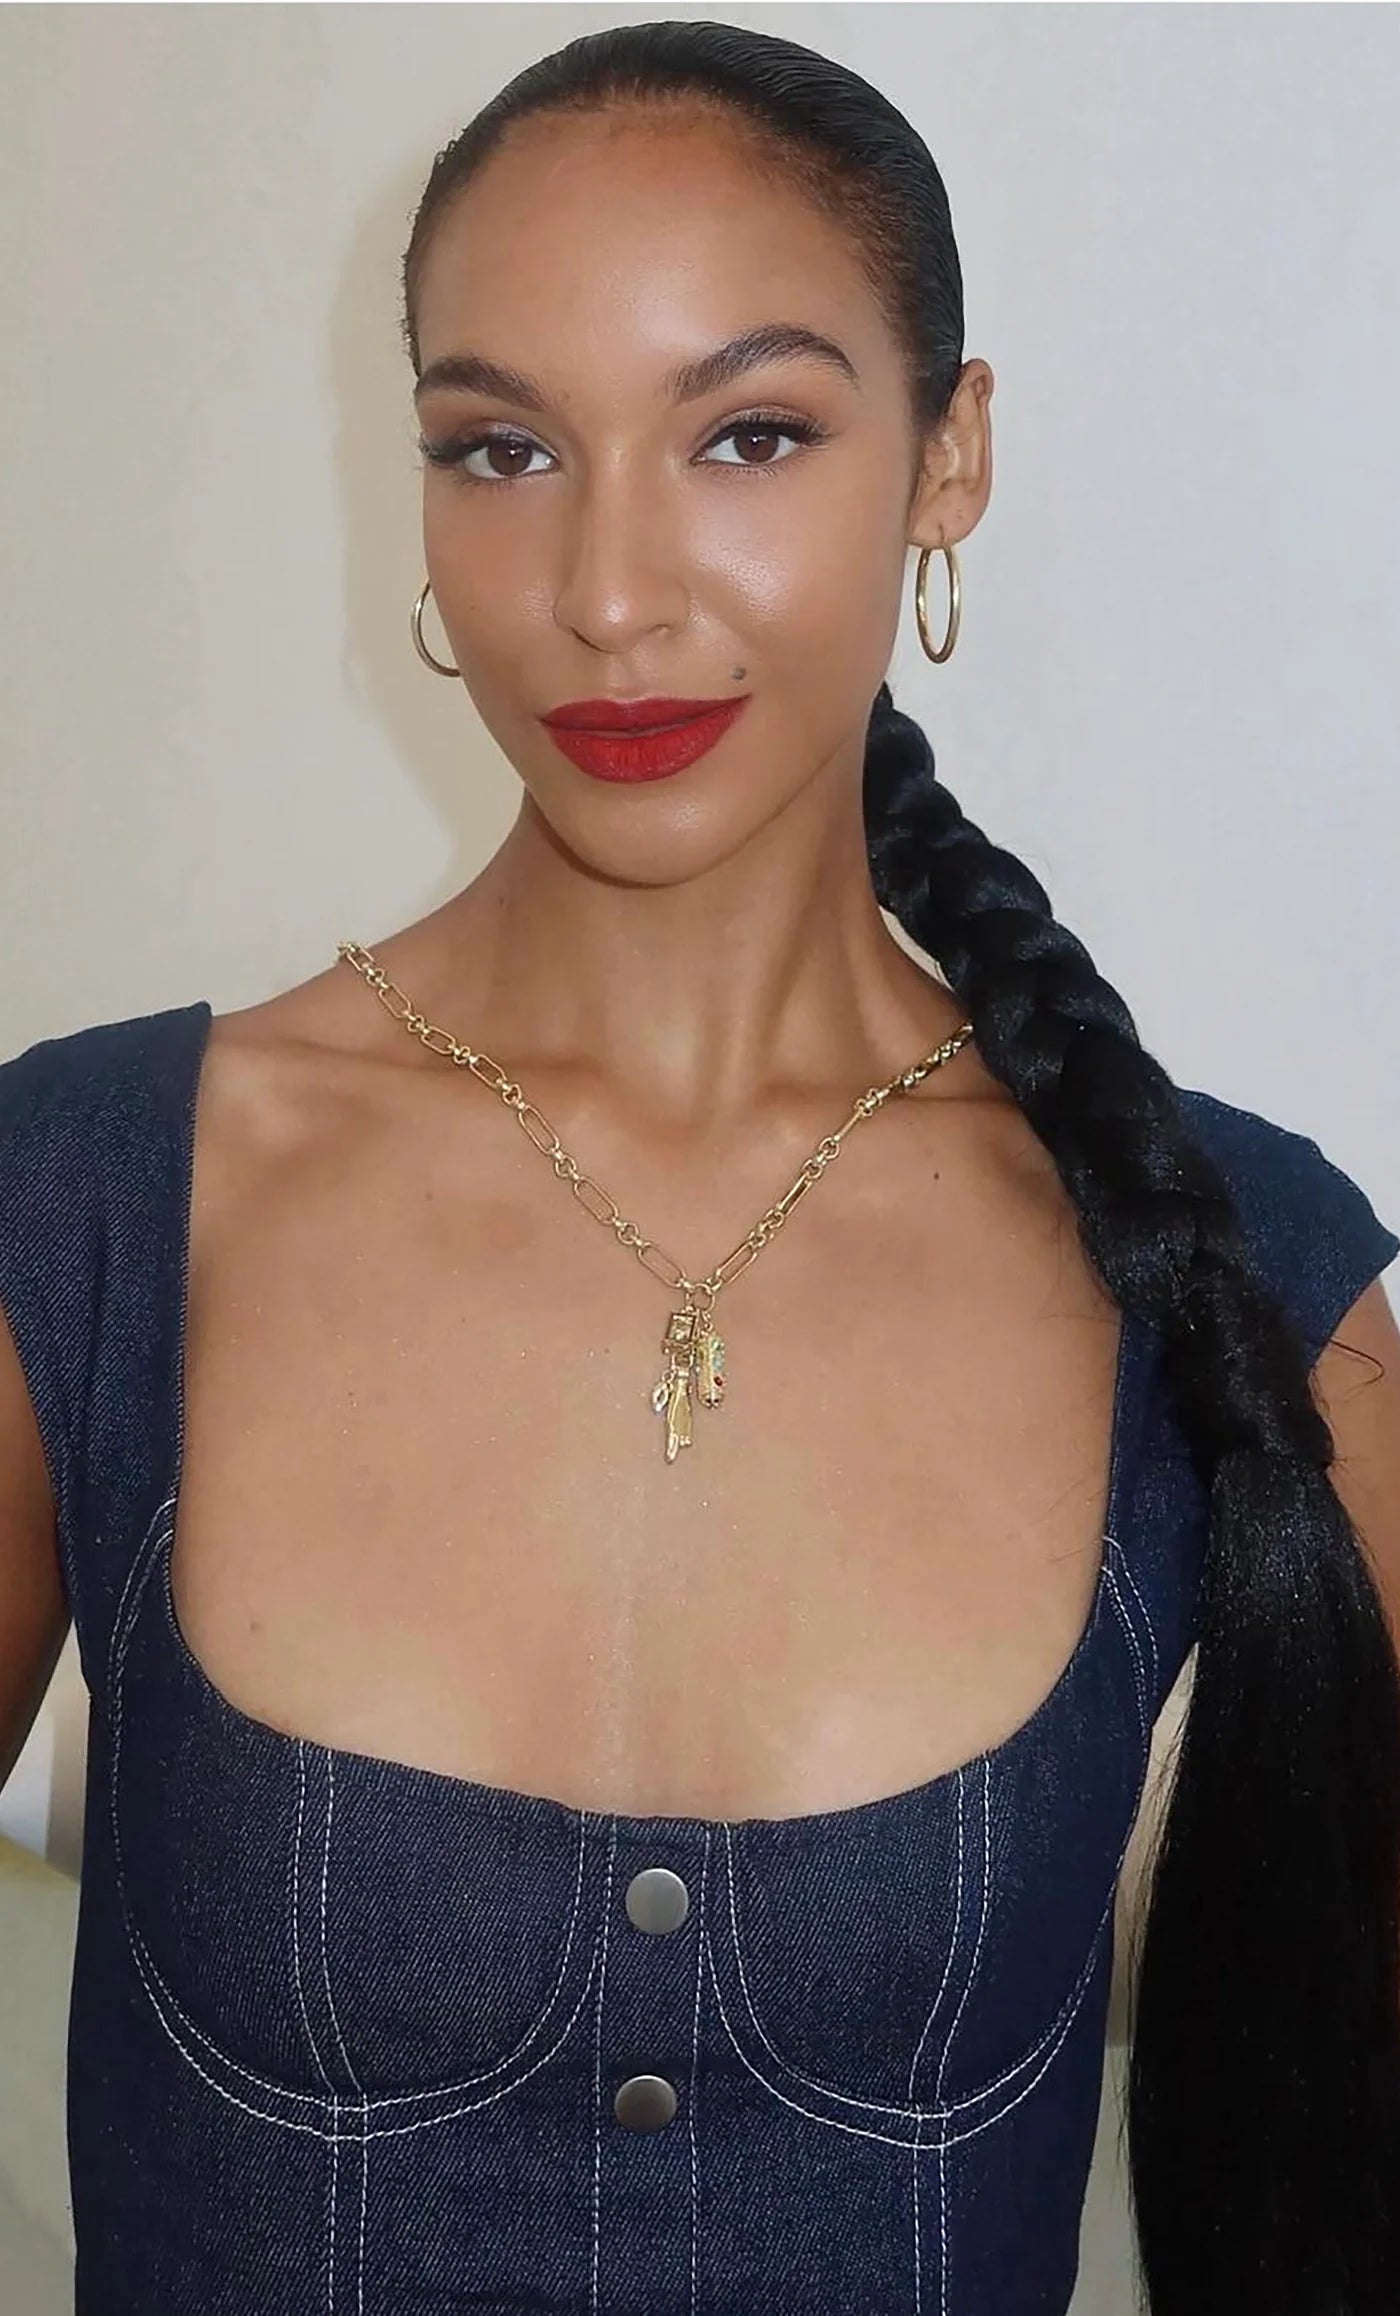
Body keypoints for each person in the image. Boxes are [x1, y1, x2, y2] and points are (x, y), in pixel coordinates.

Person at [2, 17, 1398, 2314]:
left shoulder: (1241, 1274)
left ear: (949, 456)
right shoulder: (83, 1202)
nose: (607, 589)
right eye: (503, 448)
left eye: (748, 433)